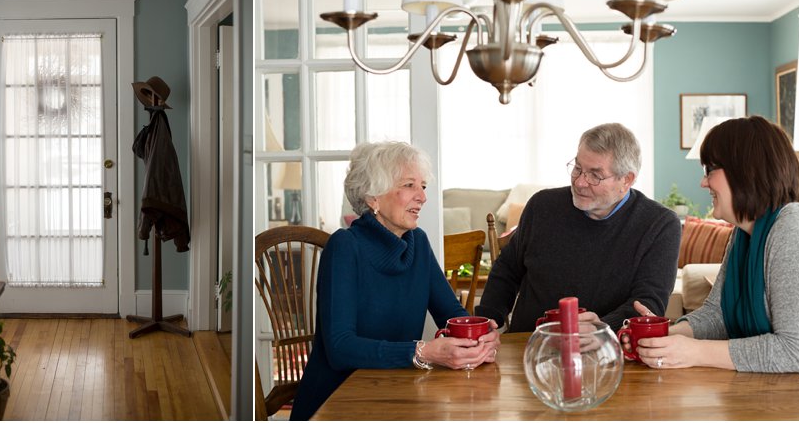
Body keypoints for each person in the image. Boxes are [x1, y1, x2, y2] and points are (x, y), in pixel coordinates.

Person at [624, 116, 799, 420]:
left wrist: (692, 351)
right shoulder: (743, 235)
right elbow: (718, 315)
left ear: (744, 171)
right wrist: (666, 337)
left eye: (709, 170)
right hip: (787, 404)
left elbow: (794, 350)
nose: (703, 182)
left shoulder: (795, 232)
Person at [290, 142, 501, 421]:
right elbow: (340, 348)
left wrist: (480, 336)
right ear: (373, 198)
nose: (423, 197)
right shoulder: (345, 246)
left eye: (423, 186)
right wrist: (423, 352)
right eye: (409, 185)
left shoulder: (419, 242)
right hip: (337, 403)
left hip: (397, 395)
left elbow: (453, 317)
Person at [476, 123, 681, 333]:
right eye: (578, 168)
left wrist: (600, 330)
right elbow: (508, 270)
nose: (580, 182)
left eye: (595, 175)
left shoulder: (660, 225)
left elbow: (648, 304)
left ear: (626, 179)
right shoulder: (542, 206)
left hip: (608, 352)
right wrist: (488, 319)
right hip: (528, 344)